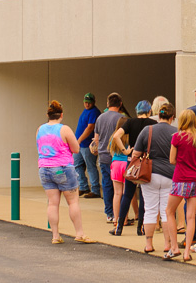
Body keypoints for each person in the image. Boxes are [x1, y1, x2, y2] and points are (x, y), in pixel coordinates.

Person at [35, 100, 95, 244]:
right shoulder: (64, 129)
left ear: (47, 114)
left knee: (52, 204)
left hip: (44, 169)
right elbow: (75, 149)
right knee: (73, 201)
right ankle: (79, 233)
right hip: (62, 168)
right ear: (61, 115)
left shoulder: (40, 129)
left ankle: (55, 236)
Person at [133, 100, 177, 254]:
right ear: (172, 117)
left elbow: (136, 153)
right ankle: (167, 244)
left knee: (150, 209)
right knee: (167, 211)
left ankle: (149, 244)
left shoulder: (147, 130)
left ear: (159, 115)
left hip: (149, 175)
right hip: (170, 175)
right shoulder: (176, 132)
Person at [110, 99, 156, 236]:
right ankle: (140, 228)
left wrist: (125, 150)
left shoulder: (130, 122)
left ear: (137, 111)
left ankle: (119, 227)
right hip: (146, 162)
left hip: (132, 161)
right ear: (149, 111)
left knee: (128, 194)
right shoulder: (153, 124)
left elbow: (116, 136)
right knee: (143, 195)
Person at [167, 109, 196, 262]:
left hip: (180, 179)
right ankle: (187, 253)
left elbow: (172, 159)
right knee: (192, 217)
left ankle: (174, 248)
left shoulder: (177, 137)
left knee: (170, 211)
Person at [93, 92, 130, 222]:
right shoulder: (122, 118)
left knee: (107, 184)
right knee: (122, 188)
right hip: (120, 157)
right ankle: (122, 214)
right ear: (120, 104)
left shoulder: (100, 118)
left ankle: (109, 213)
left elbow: (96, 139)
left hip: (104, 155)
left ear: (108, 104)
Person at [73, 92, 101, 199]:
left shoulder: (94, 112)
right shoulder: (86, 111)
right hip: (80, 145)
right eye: (85, 102)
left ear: (93, 102)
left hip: (87, 144)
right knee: (76, 164)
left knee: (90, 166)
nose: (87, 104)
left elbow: (90, 128)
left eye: (89, 102)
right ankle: (83, 186)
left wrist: (79, 140)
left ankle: (95, 190)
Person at [108, 115, 130, 227]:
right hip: (126, 164)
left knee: (117, 193)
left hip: (116, 164)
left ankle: (115, 219)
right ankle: (124, 219)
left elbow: (111, 152)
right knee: (126, 194)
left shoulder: (114, 137)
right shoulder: (129, 137)